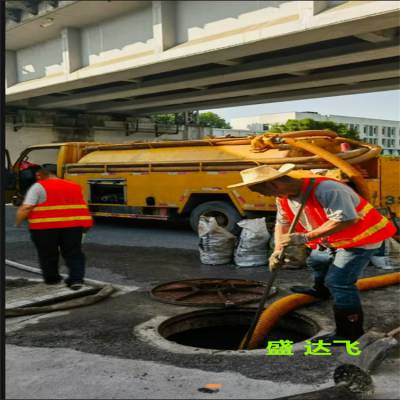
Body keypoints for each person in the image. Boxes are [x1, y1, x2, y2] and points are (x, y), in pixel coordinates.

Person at [228, 163, 396, 342]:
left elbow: (346, 220)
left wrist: (306, 237)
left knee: (340, 282)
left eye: (261, 191)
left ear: (273, 184)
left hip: (360, 239)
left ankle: (349, 333)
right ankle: (321, 291)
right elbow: (282, 223)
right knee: (317, 262)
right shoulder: (283, 197)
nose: (262, 196)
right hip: (330, 240)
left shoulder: (328, 190)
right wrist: (277, 250)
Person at [16, 167, 93, 290]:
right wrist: (87, 225)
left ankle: (52, 279)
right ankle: (76, 280)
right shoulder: (74, 186)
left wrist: (18, 222)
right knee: (74, 253)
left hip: (44, 227)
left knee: (48, 254)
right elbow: (84, 205)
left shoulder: (38, 186)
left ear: (40, 175)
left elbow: (26, 208)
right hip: (73, 226)